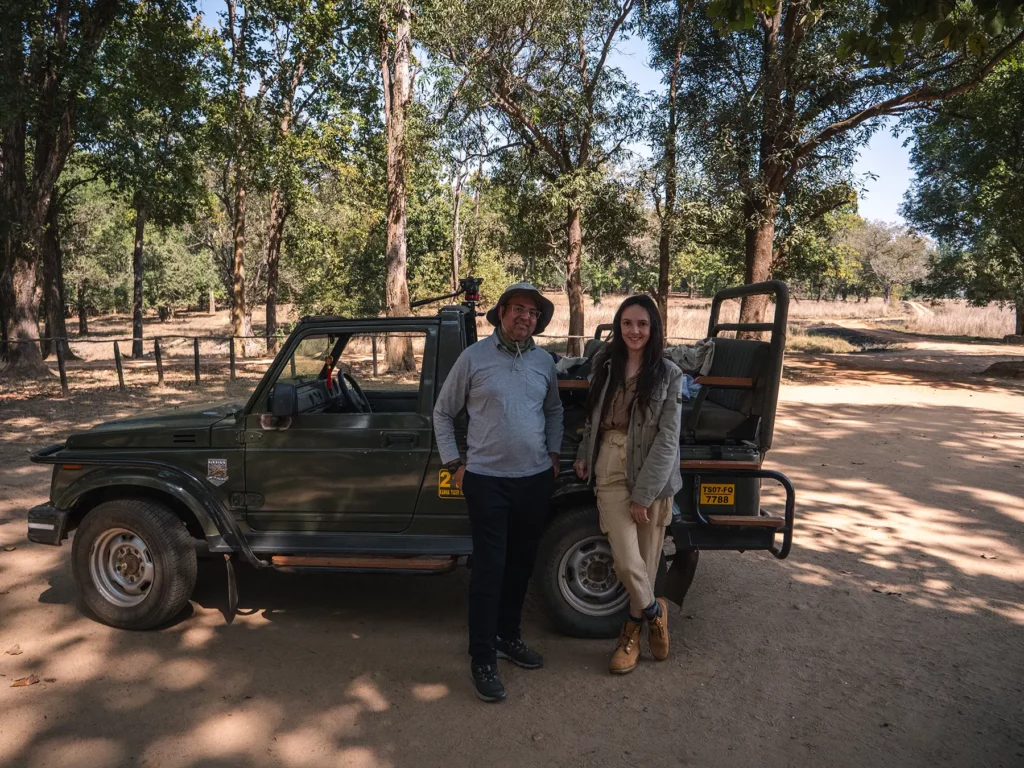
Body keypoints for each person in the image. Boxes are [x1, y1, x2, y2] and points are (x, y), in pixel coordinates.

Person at [433, 282, 564, 703]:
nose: (527, 317)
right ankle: (482, 656)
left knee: (521, 566)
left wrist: (555, 453)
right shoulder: (474, 359)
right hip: (486, 481)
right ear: (502, 312)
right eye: (519, 309)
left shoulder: (545, 361)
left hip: (535, 479)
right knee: (490, 570)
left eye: (534, 313)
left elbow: (554, 410)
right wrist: (455, 464)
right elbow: (442, 412)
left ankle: (509, 637)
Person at [573, 294, 683, 675]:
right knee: (625, 559)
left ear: (653, 330)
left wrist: (644, 494)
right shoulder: (606, 367)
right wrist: (585, 451)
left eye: (642, 324)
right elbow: (594, 418)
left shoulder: (669, 374)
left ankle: (631, 633)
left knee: (647, 563)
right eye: (627, 324)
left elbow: (668, 439)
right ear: (619, 328)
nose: (634, 331)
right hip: (609, 461)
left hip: (650, 469)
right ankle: (655, 611)